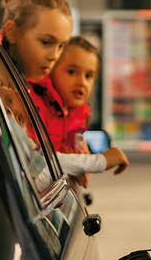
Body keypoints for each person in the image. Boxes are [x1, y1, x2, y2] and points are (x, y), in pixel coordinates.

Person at [0, 0, 128, 181]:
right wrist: (98, 162)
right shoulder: (0, 84)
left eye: (61, 46)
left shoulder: (30, 86)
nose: (54, 56)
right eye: (46, 42)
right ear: (12, 32)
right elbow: (32, 166)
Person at [49, 36, 129, 187]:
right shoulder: (40, 108)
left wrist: (82, 166)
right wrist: (96, 162)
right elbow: (39, 163)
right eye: (72, 72)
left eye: (89, 76)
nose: (81, 82)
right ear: (51, 69)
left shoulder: (78, 118)